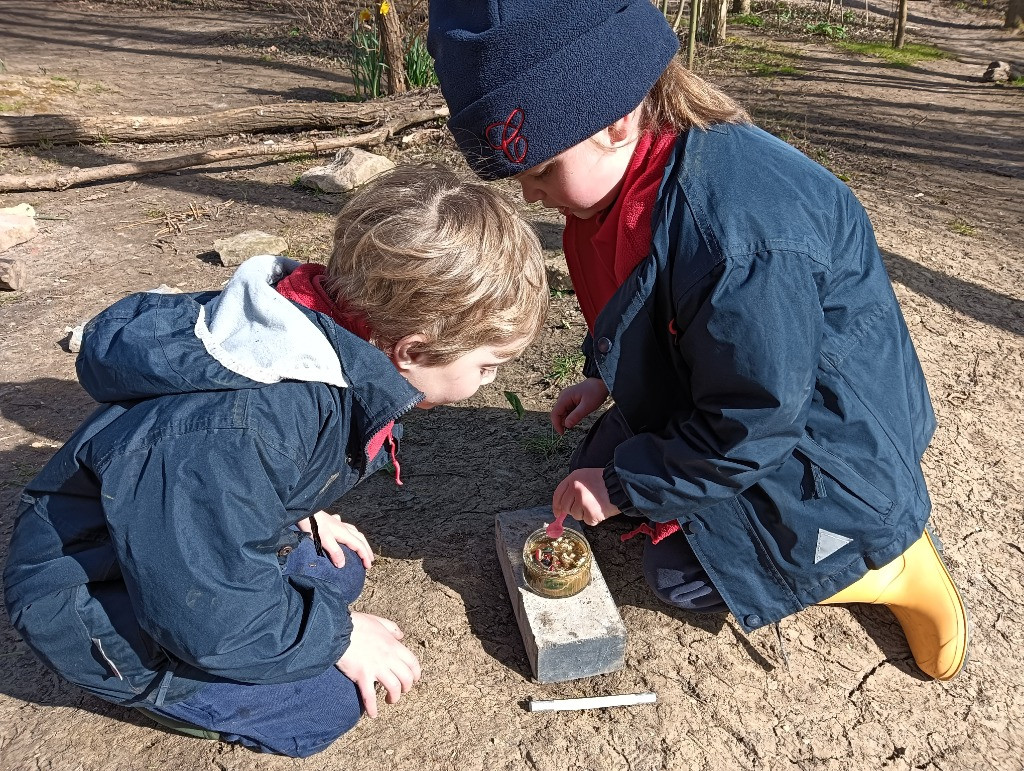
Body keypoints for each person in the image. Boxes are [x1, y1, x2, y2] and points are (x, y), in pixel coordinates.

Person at [428, 0, 968, 680]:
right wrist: (604, 374)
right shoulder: (616, 183)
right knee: (592, 473)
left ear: (616, 117)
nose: (533, 197)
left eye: (541, 171)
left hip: (833, 450)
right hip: (748, 399)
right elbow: (643, 306)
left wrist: (626, 482)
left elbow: (757, 417)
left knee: (675, 571)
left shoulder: (739, 238)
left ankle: (885, 558)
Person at [3, 165, 548, 756]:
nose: (491, 380)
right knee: (323, 707)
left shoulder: (318, 337)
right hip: (89, 600)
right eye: (488, 364)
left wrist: (295, 515)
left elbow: (229, 496)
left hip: (169, 539)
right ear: (411, 350)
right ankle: (160, 689)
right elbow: (204, 606)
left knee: (340, 570)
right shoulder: (244, 428)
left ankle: (277, 604)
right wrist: (337, 639)